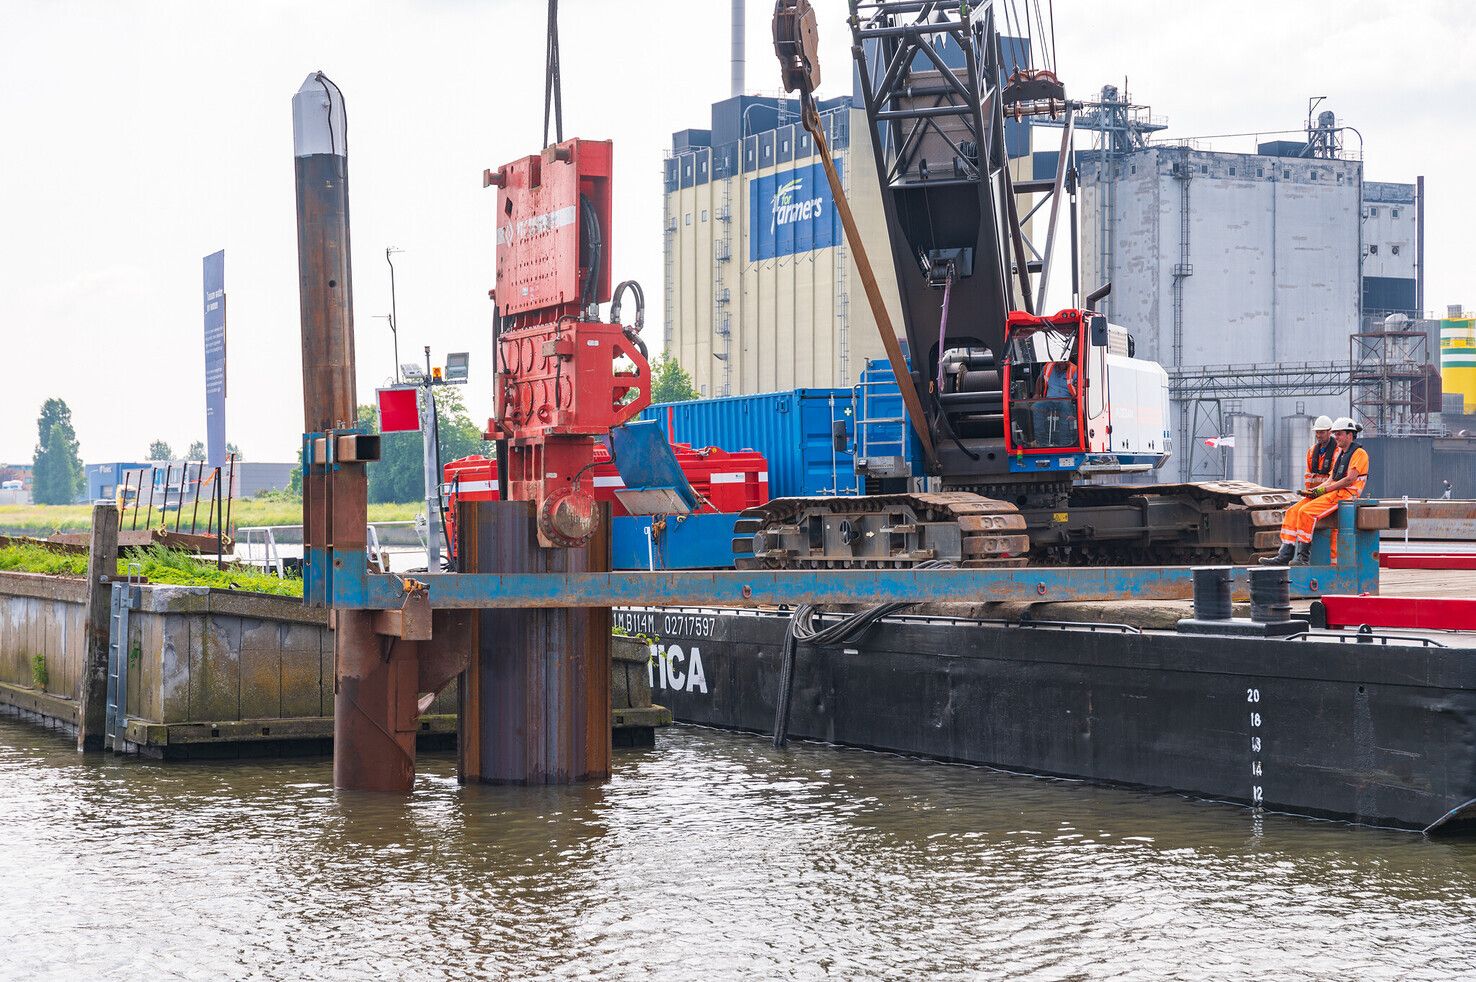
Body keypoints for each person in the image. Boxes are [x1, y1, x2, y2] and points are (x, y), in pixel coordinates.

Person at [1262, 417, 1368, 566]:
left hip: (1345, 495)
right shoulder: (1342, 455)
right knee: (1293, 511)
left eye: (1339, 434)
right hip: (1333, 493)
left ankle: (1303, 557)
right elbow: (1331, 479)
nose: (1335, 437)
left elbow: (1349, 480)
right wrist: (1313, 491)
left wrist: (1324, 490)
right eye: (1335, 434)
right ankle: (1285, 553)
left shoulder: (1359, 454)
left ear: (1349, 435)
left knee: (1306, 512)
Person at [1030, 358, 1079, 448]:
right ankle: (1041, 442)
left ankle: (1065, 443)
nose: (1062, 363)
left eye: (1065, 361)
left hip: (1066, 399)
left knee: (1066, 411)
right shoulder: (1048, 366)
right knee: (1035, 407)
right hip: (1049, 399)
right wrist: (1037, 393)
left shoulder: (1074, 369)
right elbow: (1040, 379)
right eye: (1060, 361)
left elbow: (1080, 385)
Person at [1304, 415, 1336, 491]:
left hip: (1328, 492)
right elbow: (1308, 475)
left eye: (1322, 432)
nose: (1318, 435)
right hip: (1313, 491)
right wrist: (1308, 491)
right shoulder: (1312, 450)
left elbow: (1335, 476)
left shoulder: (1338, 450)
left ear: (1330, 432)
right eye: (1317, 432)